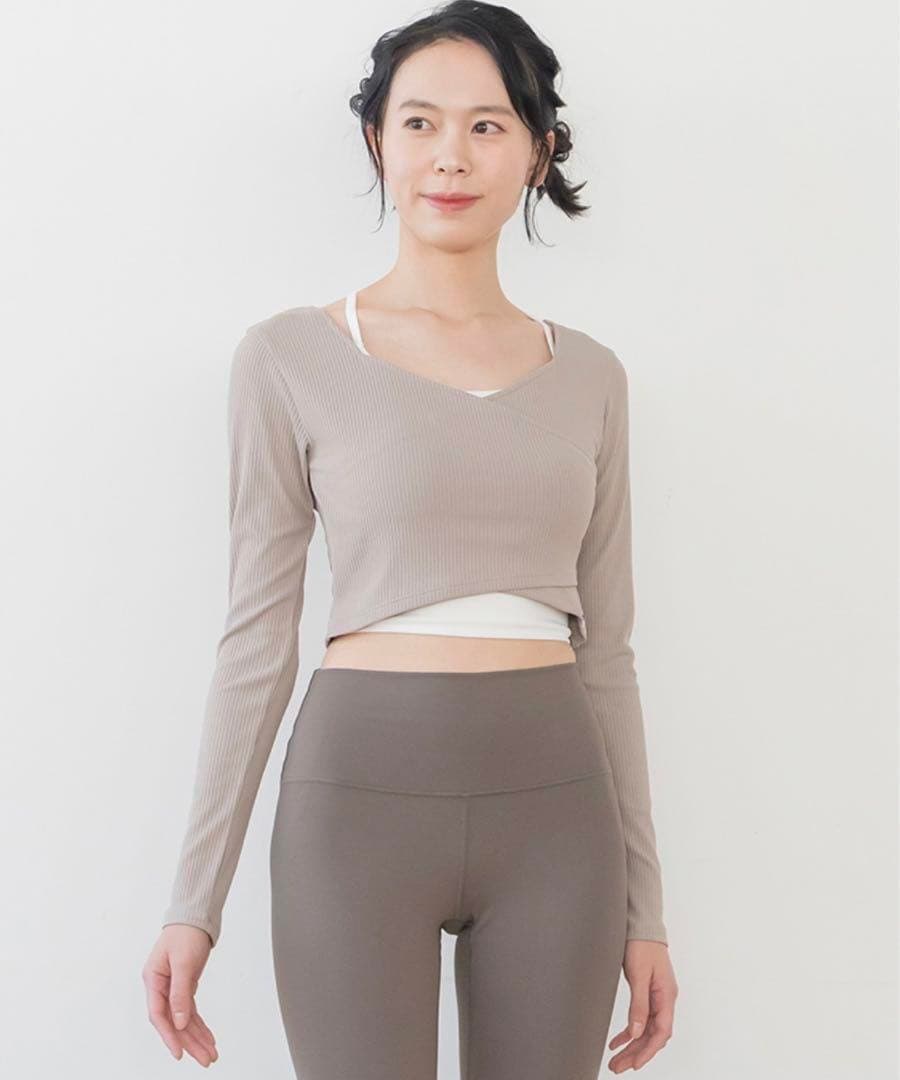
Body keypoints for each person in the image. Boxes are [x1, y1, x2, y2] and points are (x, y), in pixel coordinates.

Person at [141, 2, 679, 1075]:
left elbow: (609, 653)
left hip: (557, 810)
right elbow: (256, 639)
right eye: (420, 121)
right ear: (377, 142)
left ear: (539, 152)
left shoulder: (592, 377)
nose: (450, 155)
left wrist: (646, 909)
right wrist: (193, 901)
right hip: (357, 804)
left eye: (488, 126)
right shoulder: (289, 358)